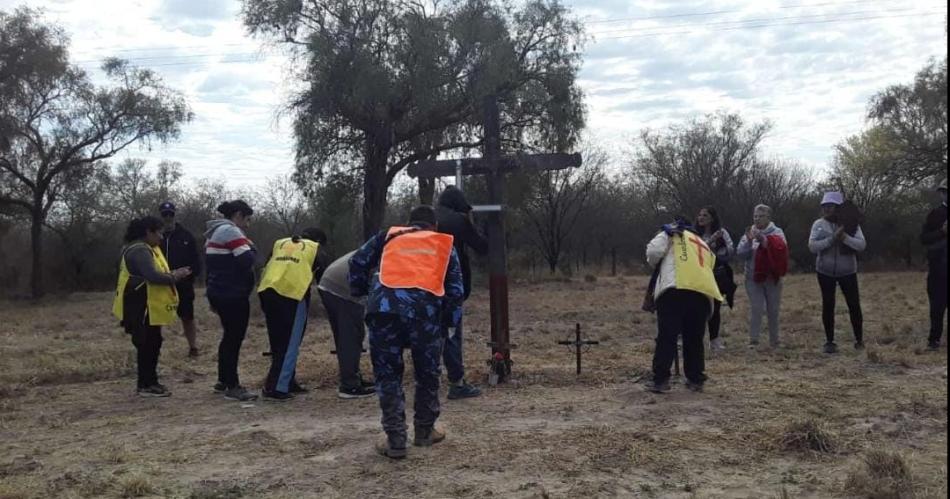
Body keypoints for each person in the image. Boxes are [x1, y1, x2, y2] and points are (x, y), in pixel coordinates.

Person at [350, 206, 464, 460]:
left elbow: (356, 261)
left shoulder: (387, 237)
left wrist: (361, 294)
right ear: (434, 225)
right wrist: (449, 323)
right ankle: (424, 431)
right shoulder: (443, 244)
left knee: (387, 374)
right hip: (425, 314)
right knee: (427, 373)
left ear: (409, 223)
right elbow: (455, 291)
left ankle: (395, 440)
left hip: (383, 310)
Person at [113, 216, 192, 397]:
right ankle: (146, 384)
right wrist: (176, 275)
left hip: (143, 304)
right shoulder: (140, 250)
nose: (161, 237)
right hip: (141, 305)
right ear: (148, 232)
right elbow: (153, 276)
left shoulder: (139, 248)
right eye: (159, 233)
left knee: (152, 342)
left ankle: (150, 381)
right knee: (148, 343)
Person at [644, 217, 724, 394]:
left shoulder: (669, 233)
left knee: (667, 336)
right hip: (702, 292)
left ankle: (661, 380)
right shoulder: (700, 241)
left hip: (675, 288)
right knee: (694, 338)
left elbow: (653, 252)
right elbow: (711, 261)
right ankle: (695, 379)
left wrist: (658, 266)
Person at [257, 228, 328, 401]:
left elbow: (266, 265)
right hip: (292, 294)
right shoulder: (313, 247)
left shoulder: (281, 243)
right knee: (290, 342)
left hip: (268, 290)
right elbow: (324, 278)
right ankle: (276, 388)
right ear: (318, 240)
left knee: (278, 341)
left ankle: (287, 380)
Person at [435, 186, 489, 400]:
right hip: (449, 285)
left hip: (422, 284)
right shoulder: (458, 220)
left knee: (431, 332)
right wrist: (476, 223)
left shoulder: (430, 217)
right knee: (451, 332)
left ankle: (429, 376)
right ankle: (457, 383)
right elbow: (482, 246)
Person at [205, 200, 259, 402]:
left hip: (219, 290)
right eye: (247, 219)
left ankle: (223, 379)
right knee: (233, 339)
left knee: (229, 336)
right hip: (232, 293)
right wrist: (251, 246)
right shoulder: (231, 231)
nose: (248, 224)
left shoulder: (215, 232)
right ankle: (232, 386)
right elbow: (248, 260)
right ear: (238, 215)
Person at [808, 192, 867, 353]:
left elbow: (861, 245)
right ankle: (829, 341)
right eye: (825, 206)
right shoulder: (818, 224)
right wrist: (832, 239)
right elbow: (813, 246)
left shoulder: (852, 224)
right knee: (828, 305)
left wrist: (845, 238)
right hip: (825, 271)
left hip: (848, 271)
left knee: (854, 305)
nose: (827, 209)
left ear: (838, 208)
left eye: (831, 206)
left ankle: (859, 340)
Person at [318, 250, 376, 399]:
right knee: (351, 337)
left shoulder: (382, 243)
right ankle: (349, 386)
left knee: (348, 336)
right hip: (343, 288)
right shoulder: (394, 251)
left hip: (330, 283)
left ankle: (352, 378)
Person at [736, 205, 788, 349]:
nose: (757, 219)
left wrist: (764, 241)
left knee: (773, 309)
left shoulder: (777, 232)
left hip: (772, 278)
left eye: (761, 216)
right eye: (755, 216)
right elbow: (740, 253)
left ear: (768, 218)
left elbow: (782, 250)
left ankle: (775, 341)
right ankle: (753, 340)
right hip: (753, 277)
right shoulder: (750, 232)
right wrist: (748, 241)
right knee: (756, 308)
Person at [158, 201, 203, 358]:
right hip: (160, 283)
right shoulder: (155, 236)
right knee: (157, 317)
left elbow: (195, 261)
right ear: (161, 216)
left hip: (183, 285)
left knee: (187, 316)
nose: (168, 217)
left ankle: (193, 347)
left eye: (171, 214)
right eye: (165, 214)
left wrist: (189, 275)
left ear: (175, 215)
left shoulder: (186, 235)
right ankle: (155, 348)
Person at [695, 206, 736, 352]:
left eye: (705, 215)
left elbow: (731, 250)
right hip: (699, 275)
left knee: (715, 308)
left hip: (717, 274)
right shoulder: (694, 234)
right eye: (700, 215)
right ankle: (696, 340)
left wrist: (722, 249)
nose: (701, 218)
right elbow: (696, 251)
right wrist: (711, 241)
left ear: (712, 218)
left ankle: (714, 341)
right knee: (698, 308)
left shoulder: (722, 232)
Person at [921, 179, 948, 350]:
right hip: (938, 269)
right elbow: (923, 238)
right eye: (944, 191)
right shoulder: (935, 214)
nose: (946, 194)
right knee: (937, 307)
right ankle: (934, 340)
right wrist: (942, 232)